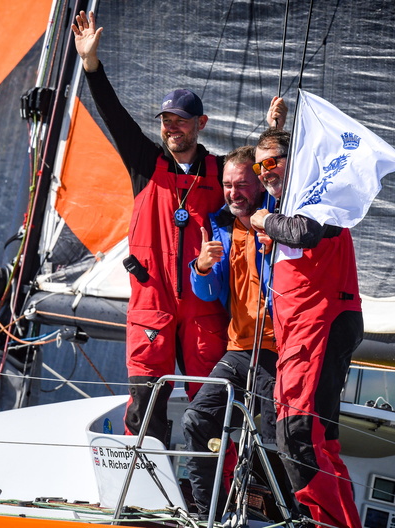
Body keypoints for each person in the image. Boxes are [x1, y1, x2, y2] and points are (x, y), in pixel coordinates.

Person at [71, 11, 287, 443]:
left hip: (204, 309)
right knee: (145, 408)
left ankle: (209, 493)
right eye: (166, 121)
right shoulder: (145, 163)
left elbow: (255, 179)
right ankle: (145, 497)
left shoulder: (218, 171)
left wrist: (273, 132)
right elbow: (114, 117)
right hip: (152, 304)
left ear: (199, 125)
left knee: (212, 410)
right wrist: (91, 66)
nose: (171, 127)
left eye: (180, 120)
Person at [249, 128, 364, 528]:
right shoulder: (296, 203)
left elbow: (304, 232)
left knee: (298, 437)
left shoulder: (321, 197)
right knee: (321, 443)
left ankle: (326, 522)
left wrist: (264, 218)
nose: (264, 172)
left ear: (296, 160)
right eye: (257, 165)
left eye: (273, 162)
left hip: (319, 330)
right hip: (302, 338)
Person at [180, 145, 278, 518]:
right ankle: (207, 515)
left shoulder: (277, 217)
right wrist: (201, 268)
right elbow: (207, 291)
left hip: (277, 351)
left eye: (242, 184)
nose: (234, 193)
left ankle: (283, 517)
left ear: (260, 184)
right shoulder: (219, 224)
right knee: (197, 419)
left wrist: (277, 126)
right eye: (227, 184)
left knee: (270, 439)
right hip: (239, 349)